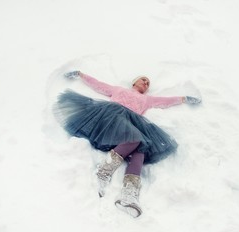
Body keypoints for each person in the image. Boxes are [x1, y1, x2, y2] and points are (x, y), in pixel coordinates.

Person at [54, 70, 201, 218]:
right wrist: (81, 75)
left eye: (148, 83)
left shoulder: (147, 100)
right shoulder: (119, 90)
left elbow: (164, 101)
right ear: (134, 82)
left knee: (141, 148)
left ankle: (129, 194)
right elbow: (99, 85)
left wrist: (184, 98)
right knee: (136, 138)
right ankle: (104, 171)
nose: (146, 83)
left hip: (131, 123)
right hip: (112, 117)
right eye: (143, 79)